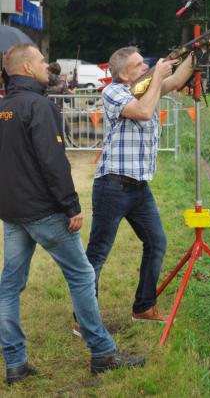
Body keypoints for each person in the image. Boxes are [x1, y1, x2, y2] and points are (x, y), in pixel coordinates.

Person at [0, 44, 144, 385]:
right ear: (25, 68)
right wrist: (71, 205)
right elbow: (53, 163)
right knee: (81, 275)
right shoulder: (40, 106)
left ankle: (15, 363)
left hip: (13, 212)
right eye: (40, 61)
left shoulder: (3, 107)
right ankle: (103, 352)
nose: (46, 66)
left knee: (9, 286)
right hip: (44, 212)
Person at [75, 40, 210, 333]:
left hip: (139, 188)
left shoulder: (145, 87)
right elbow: (142, 111)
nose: (147, 66)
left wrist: (199, 50)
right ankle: (84, 320)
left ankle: (144, 307)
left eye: (146, 63)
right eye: (140, 65)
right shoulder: (113, 92)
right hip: (113, 186)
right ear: (125, 75)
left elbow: (178, 79)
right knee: (98, 252)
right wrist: (156, 78)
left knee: (156, 243)